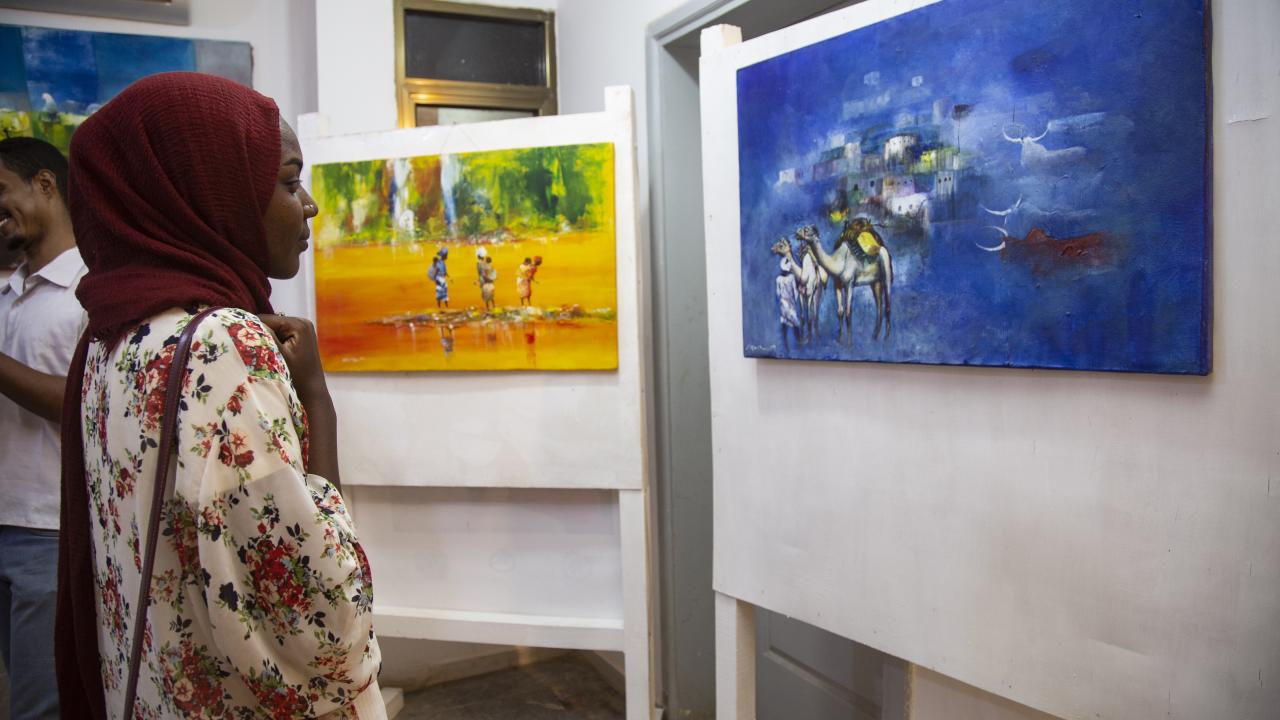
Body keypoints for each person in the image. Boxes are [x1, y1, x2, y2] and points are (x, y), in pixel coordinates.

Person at [57, 73, 384, 718]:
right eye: (288, 181)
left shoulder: (108, 337)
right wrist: (317, 398)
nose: (310, 204)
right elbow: (316, 610)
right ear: (214, 191)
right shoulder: (222, 343)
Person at [0, 137, 85, 720]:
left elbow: (84, 404)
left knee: (40, 709)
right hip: (6, 519)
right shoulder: (8, 292)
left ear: (46, 185)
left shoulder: (89, 290)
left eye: (1, 191)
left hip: (49, 530)